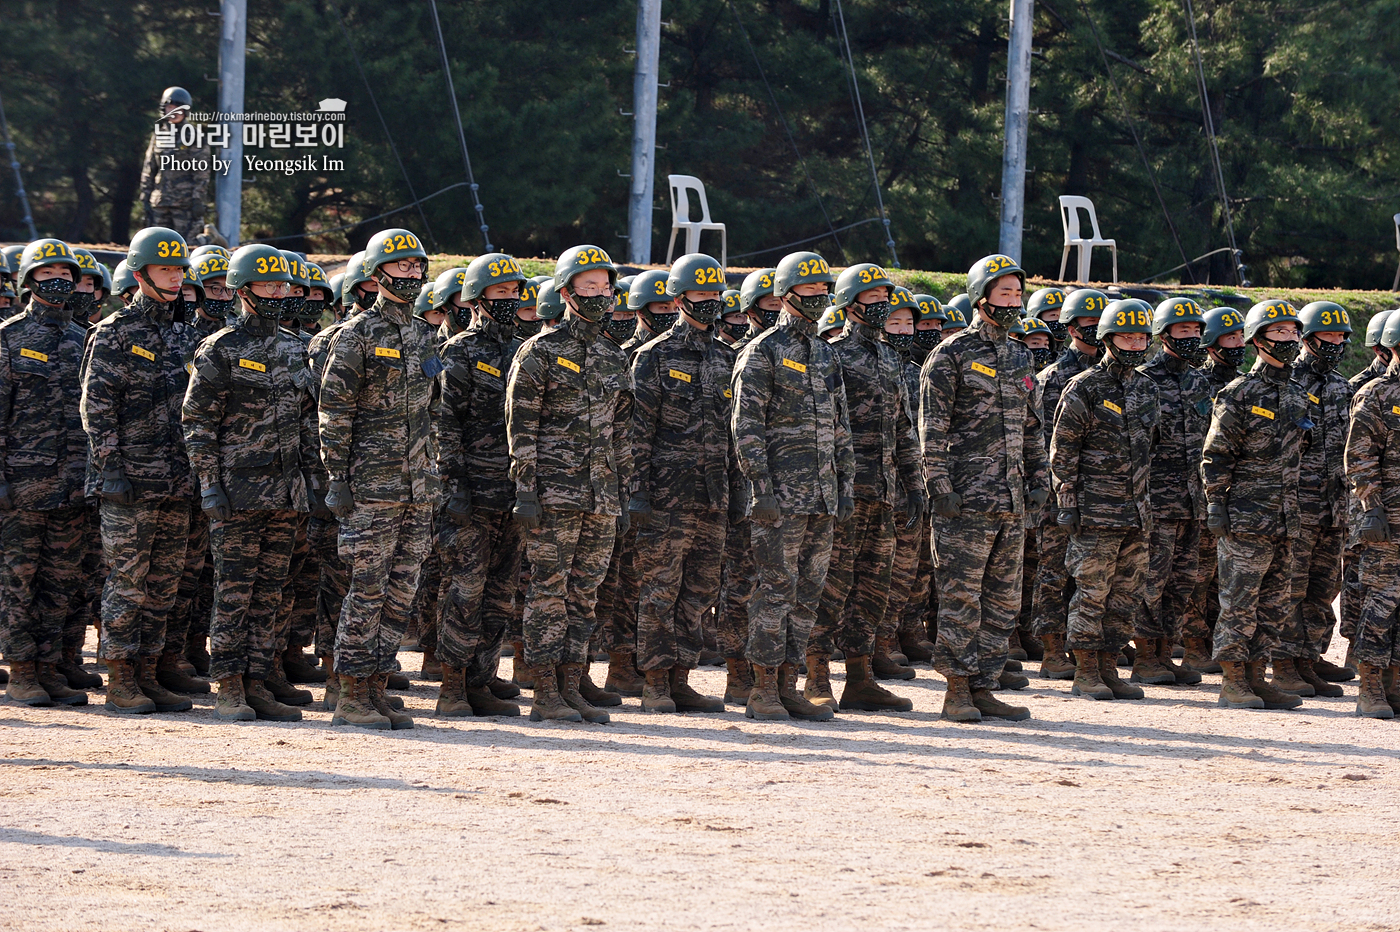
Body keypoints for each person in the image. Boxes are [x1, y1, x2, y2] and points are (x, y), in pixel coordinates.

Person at [182, 243, 316, 722]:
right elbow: (197, 422)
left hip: (285, 493)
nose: (279, 293)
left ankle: (258, 680)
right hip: (236, 494)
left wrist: (312, 481)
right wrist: (208, 484)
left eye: (283, 284)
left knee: (272, 591)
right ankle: (228, 686)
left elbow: (307, 423)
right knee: (234, 591)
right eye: (268, 285)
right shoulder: (220, 348)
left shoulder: (295, 348)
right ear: (243, 290)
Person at [506, 245, 633, 725]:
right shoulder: (539, 351)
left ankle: (569, 683)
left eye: (604, 287)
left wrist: (621, 491)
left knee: (585, 595)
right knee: (549, 592)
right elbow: (521, 430)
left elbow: (622, 431)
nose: (600, 295)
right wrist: (525, 491)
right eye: (589, 286)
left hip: (601, 496)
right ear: (566, 293)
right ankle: (543, 692)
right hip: (552, 496)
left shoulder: (611, 355)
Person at [919, 255, 1048, 722]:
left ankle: (985, 684)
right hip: (965, 501)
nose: (1014, 301)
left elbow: (1031, 426)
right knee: (960, 596)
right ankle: (956, 689)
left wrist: (1039, 478)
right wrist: (939, 485)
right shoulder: (950, 354)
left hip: (1011, 501)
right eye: (1005, 293)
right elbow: (931, 428)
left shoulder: (1020, 355)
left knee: (1002, 599)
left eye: (1018, 293)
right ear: (982, 298)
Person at [319, 228, 439, 731]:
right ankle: (349, 693)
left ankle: (377, 686)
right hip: (371, 486)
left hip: (419, 486)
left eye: (416, 266)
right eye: (401, 266)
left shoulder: (422, 334)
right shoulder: (355, 335)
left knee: (401, 591)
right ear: (375, 274)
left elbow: (431, 413)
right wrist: (337, 479)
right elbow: (333, 411)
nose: (410, 274)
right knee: (366, 589)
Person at [731, 250, 853, 722]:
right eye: (810, 291)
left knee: (807, 593)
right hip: (778, 498)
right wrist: (759, 487)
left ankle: (789, 683)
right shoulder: (762, 351)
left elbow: (840, 426)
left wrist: (844, 484)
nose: (820, 298)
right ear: (785, 296)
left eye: (824, 290)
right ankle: (762, 688)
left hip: (821, 496)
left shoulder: (826, 352)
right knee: (774, 589)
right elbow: (747, 426)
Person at [81, 227, 198, 714]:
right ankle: (121, 679)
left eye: (178, 270)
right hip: (129, 483)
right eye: (165, 269)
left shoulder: (186, 333)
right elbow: (96, 407)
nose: (174, 278)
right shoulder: (114, 333)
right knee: (128, 581)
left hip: (176, 481)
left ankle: (149, 673)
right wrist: (111, 470)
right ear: (140, 274)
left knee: (165, 583)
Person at [808, 263, 922, 713]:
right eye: (872, 299)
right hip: (843, 493)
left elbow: (904, 429)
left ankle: (860, 678)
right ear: (850, 304)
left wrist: (914, 484)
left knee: (873, 590)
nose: (881, 306)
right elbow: (823, 428)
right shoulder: (830, 355)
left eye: (885, 299)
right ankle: (817, 677)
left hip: (885, 493)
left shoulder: (893, 359)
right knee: (830, 587)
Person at [628, 253, 736, 714]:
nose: (710, 302)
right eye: (701, 294)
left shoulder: (728, 357)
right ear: (678, 298)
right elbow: (635, 433)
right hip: (664, 498)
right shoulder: (653, 357)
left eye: (716, 294)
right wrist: (635, 492)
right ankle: (654, 681)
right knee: (659, 590)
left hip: (713, 498)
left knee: (700, 591)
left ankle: (682, 677)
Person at [1200, 300, 1310, 711]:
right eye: (1279, 332)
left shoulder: (1299, 392)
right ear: (1258, 339)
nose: (1289, 339)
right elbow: (1217, 455)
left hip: (1286, 518)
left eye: (1292, 332)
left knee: (1274, 601)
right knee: (1239, 601)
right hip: (1246, 517)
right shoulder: (1239, 393)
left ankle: (1257, 676)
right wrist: (1216, 504)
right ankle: (1232, 680)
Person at [435, 252, 529, 718]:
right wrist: (453, 483)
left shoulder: (526, 350)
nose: (510, 300)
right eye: (500, 292)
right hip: (469, 492)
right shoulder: (458, 352)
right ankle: (451, 685)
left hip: (513, 494)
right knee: (465, 591)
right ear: (477, 299)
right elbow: (443, 423)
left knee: (500, 594)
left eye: (515, 291)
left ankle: (482, 681)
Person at [1051, 299, 1159, 701]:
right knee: (1091, 592)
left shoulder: (1148, 388)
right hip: (1094, 512)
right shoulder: (1084, 386)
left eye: (1140, 337)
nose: (1134, 344)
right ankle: (1085, 670)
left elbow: (1153, 448)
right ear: (1107, 338)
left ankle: (1110, 666)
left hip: (1136, 513)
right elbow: (1063, 450)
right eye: (1126, 336)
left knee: (1126, 595)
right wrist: (1067, 501)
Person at [0, 239, 92, 707]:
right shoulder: (9, 338)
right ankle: (20, 672)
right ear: (28, 279)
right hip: (22, 484)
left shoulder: (84, 339)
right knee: (20, 581)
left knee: (61, 583)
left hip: (73, 487)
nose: (58, 279)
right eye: (47, 271)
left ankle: (50, 667)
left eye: (65, 272)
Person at [1273, 301, 1353, 698]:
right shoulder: (1288, 384)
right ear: (1307, 339)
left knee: (1324, 587)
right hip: (1296, 505)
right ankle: (1284, 664)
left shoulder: (1342, 386)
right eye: (1329, 335)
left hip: (1334, 506)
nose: (1336, 342)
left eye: (1342, 336)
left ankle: (1309, 657)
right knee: (1291, 586)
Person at [1030, 289, 1108, 679]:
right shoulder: (1054, 378)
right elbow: (1045, 443)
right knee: (1054, 571)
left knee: (1094, 575)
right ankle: (1051, 649)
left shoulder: (1117, 377)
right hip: (1059, 493)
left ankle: (1088, 648)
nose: (1094, 331)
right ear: (1071, 327)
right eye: (1087, 324)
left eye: (1099, 324)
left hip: (1104, 495)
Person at [1132, 297, 1210, 687]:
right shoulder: (1145, 380)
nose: (1192, 337)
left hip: (1193, 500)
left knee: (1182, 582)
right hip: (1157, 501)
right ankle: (1145, 657)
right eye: (1184, 331)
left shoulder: (1199, 381)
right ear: (1163, 335)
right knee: (1152, 580)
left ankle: (1166, 653)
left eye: (1197, 331)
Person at [711, 268, 780, 705]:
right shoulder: (730, 357)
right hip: (738, 490)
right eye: (768, 306)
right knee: (738, 586)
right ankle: (737, 672)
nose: (775, 313)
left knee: (774, 585)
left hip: (786, 490)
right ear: (749, 310)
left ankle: (772, 676)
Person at [1342, 310, 1400, 718]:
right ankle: (1370, 687)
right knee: (1380, 604)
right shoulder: (1377, 393)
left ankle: (1395, 684)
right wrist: (1371, 508)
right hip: (1388, 519)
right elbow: (1360, 457)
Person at [139, 87, 210, 242]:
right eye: (170, 107)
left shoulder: (194, 136)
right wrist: (145, 195)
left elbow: (201, 172)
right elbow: (149, 167)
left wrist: (198, 199)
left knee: (186, 245)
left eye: (178, 108)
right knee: (157, 244)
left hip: (184, 202)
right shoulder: (158, 135)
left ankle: (209, 239)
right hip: (160, 201)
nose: (173, 112)